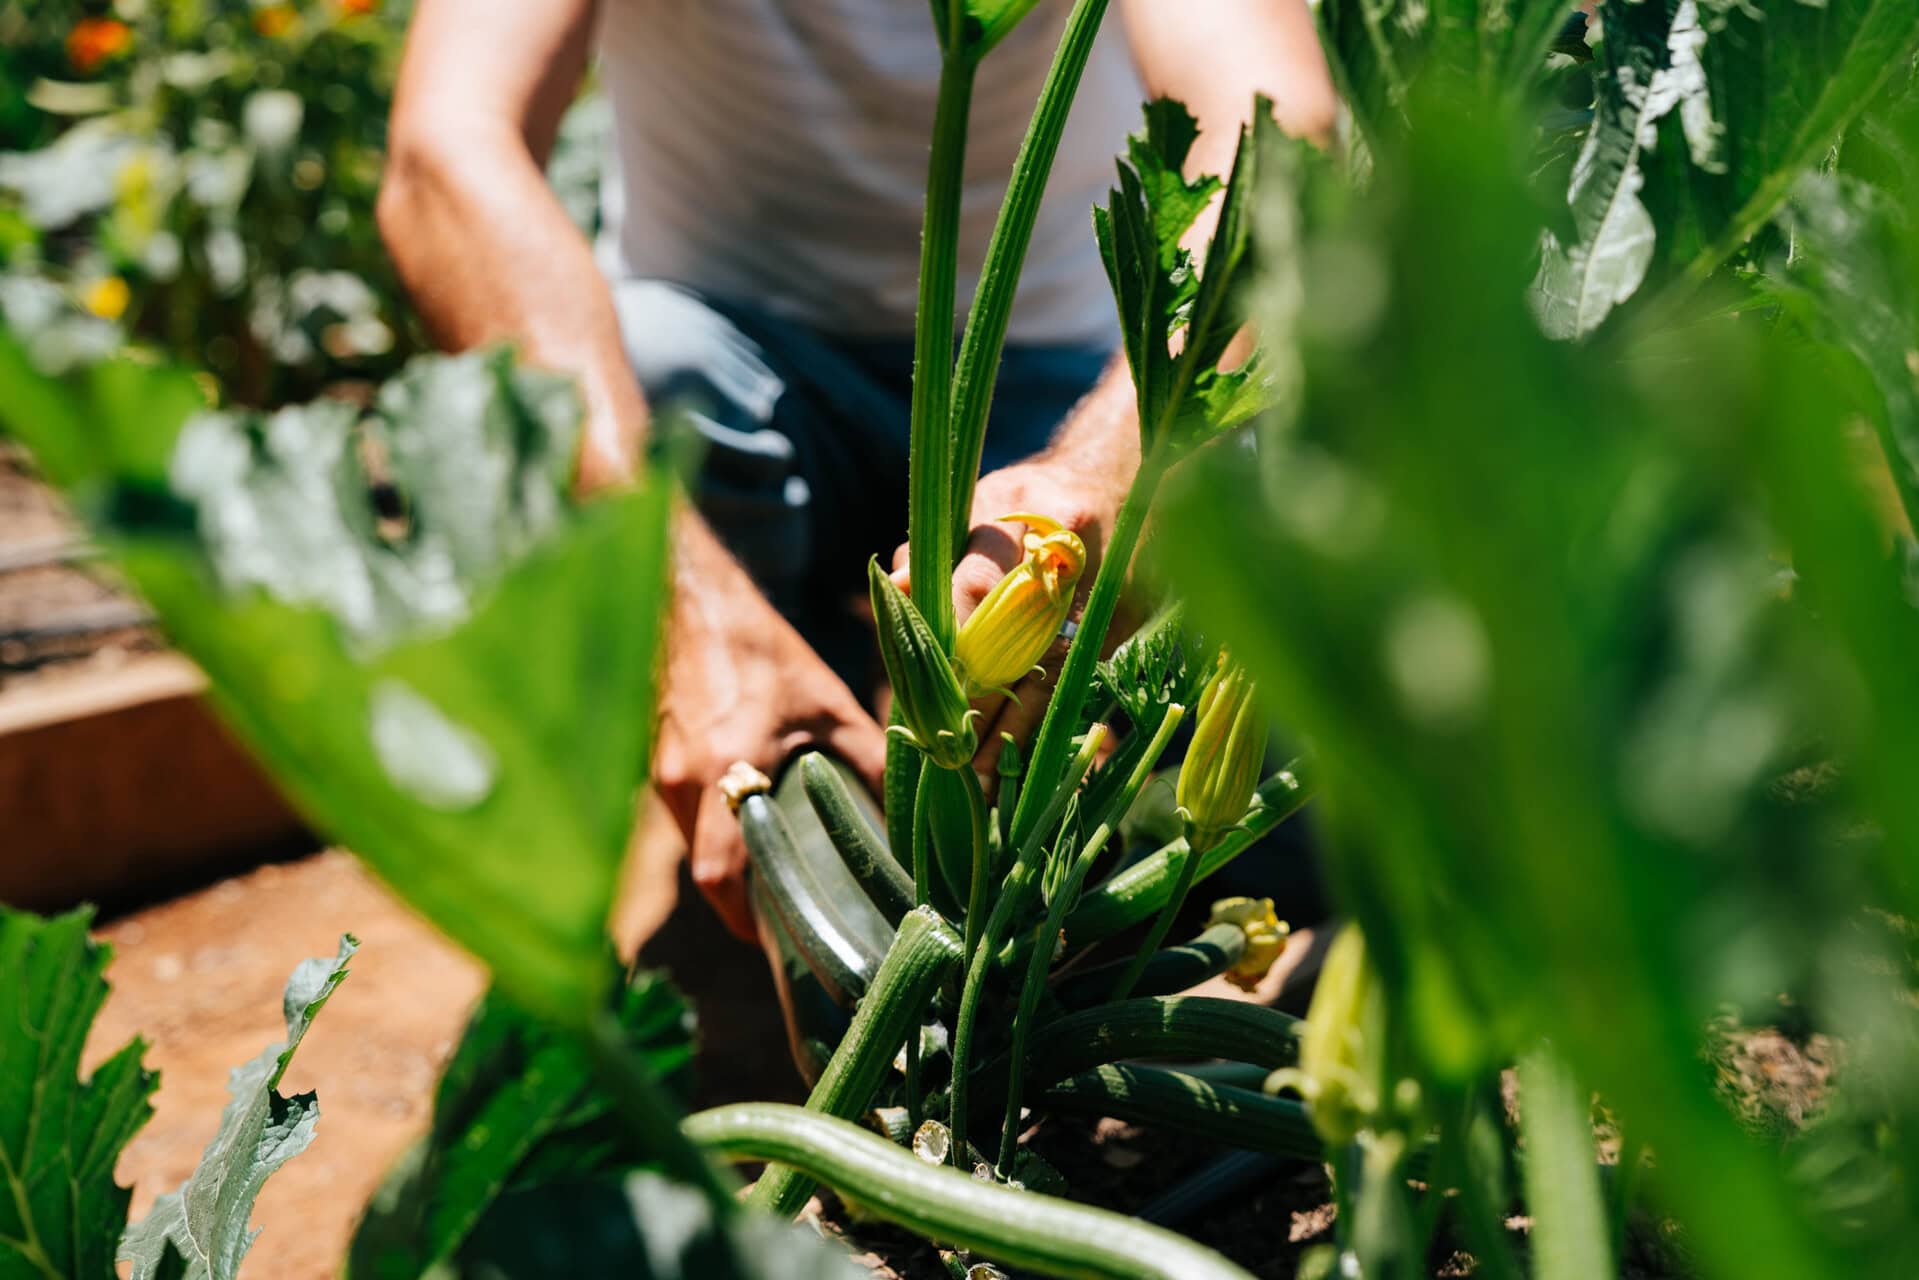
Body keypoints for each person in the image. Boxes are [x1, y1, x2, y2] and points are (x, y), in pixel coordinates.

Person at [376, 0, 1336, 940]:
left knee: (1292, 826)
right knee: (653, 395)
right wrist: (679, 603)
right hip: (735, 366)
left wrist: (1123, 467)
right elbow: (441, 156)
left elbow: (1279, 129)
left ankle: (1015, 878)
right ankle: (797, 821)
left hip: (1070, 392)